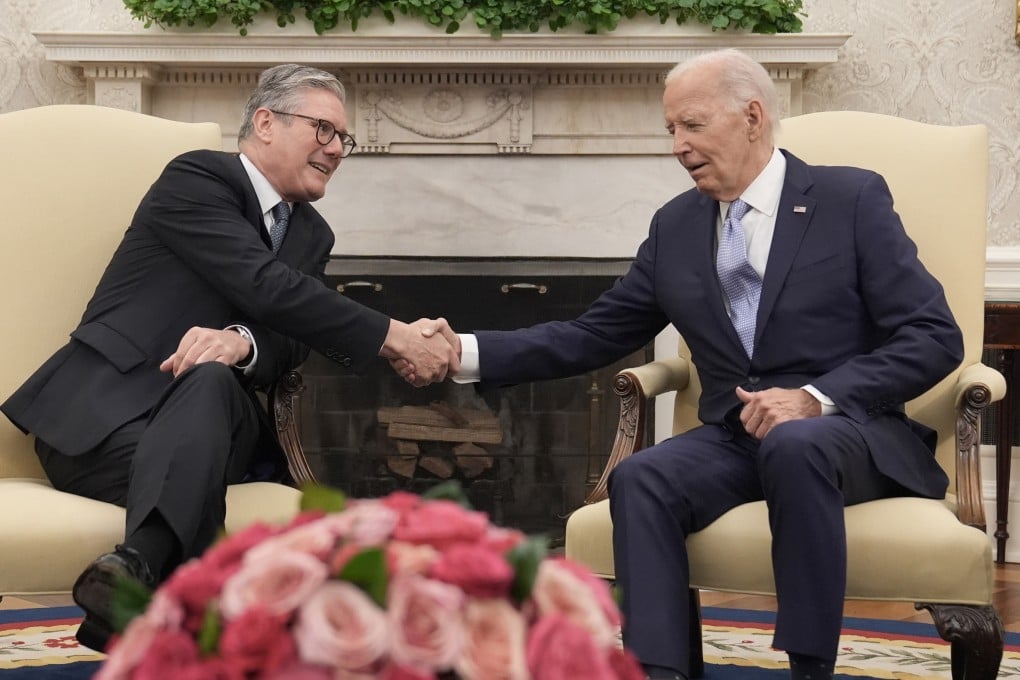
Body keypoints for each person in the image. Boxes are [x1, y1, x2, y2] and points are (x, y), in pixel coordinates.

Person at [402, 49, 964, 680]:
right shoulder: (676, 226)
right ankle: (656, 670)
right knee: (641, 478)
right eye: (671, 128)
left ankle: (811, 667)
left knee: (796, 443)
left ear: (752, 116)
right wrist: (464, 352)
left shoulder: (849, 199)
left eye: (692, 125)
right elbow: (594, 333)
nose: (677, 145)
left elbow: (934, 335)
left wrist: (814, 396)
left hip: (848, 433)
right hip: (736, 437)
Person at [0, 64, 458, 652]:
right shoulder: (197, 178)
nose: (337, 148)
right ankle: (160, 612)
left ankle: (132, 570)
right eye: (323, 129)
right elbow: (264, 283)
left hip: (213, 426)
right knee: (193, 467)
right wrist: (393, 334)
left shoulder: (313, 235)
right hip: (102, 427)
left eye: (344, 138)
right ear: (265, 122)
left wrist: (243, 341)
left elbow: (293, 337)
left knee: (214, 380)